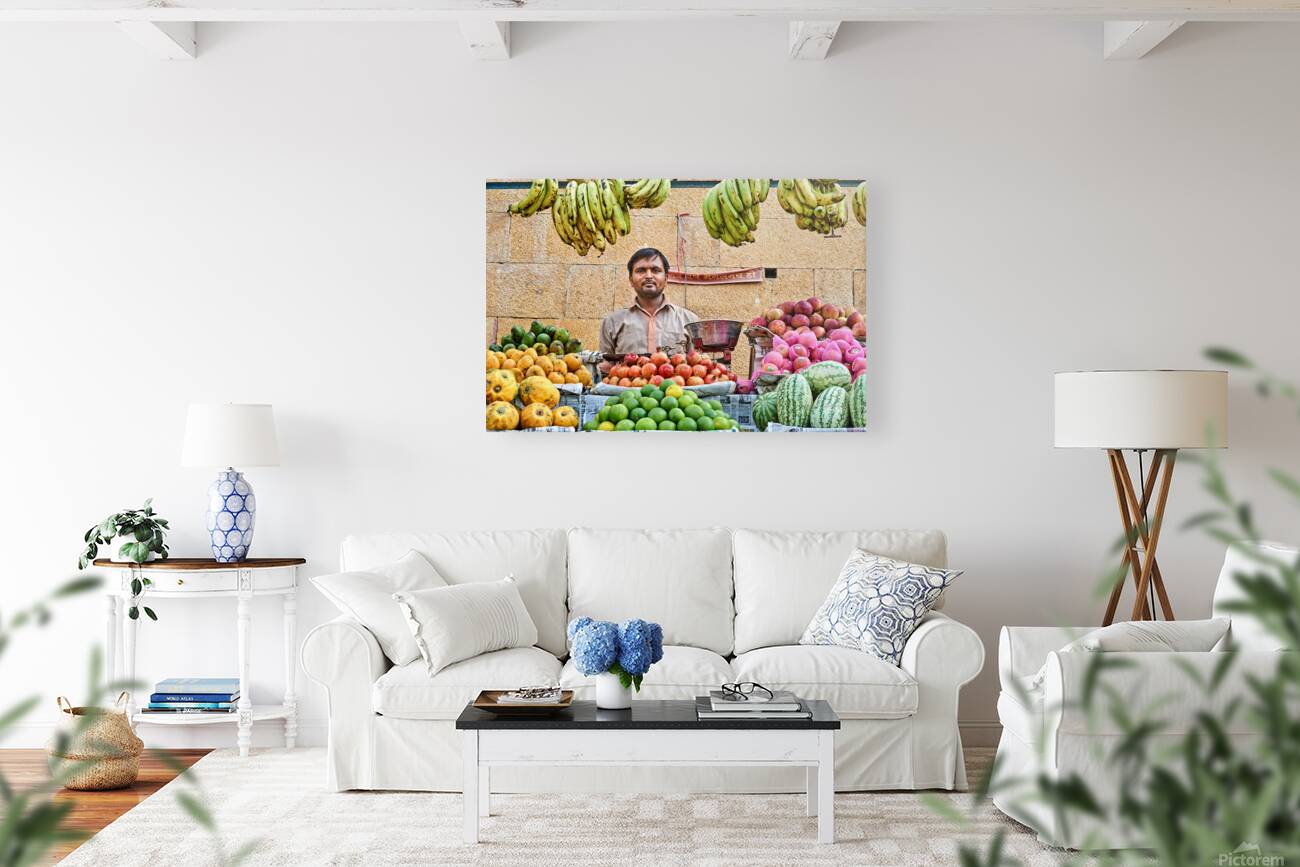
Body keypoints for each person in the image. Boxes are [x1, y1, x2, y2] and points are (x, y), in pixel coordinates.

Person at [599, 248, 700, 364]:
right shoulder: (612, 322)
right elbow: (605, 368)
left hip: (676, 382)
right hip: (629, 382)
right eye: (641, 270)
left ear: (666, 279)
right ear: (631, 280)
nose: (648, 276)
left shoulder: (689, 321)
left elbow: (698, 367)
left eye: (656, 270)